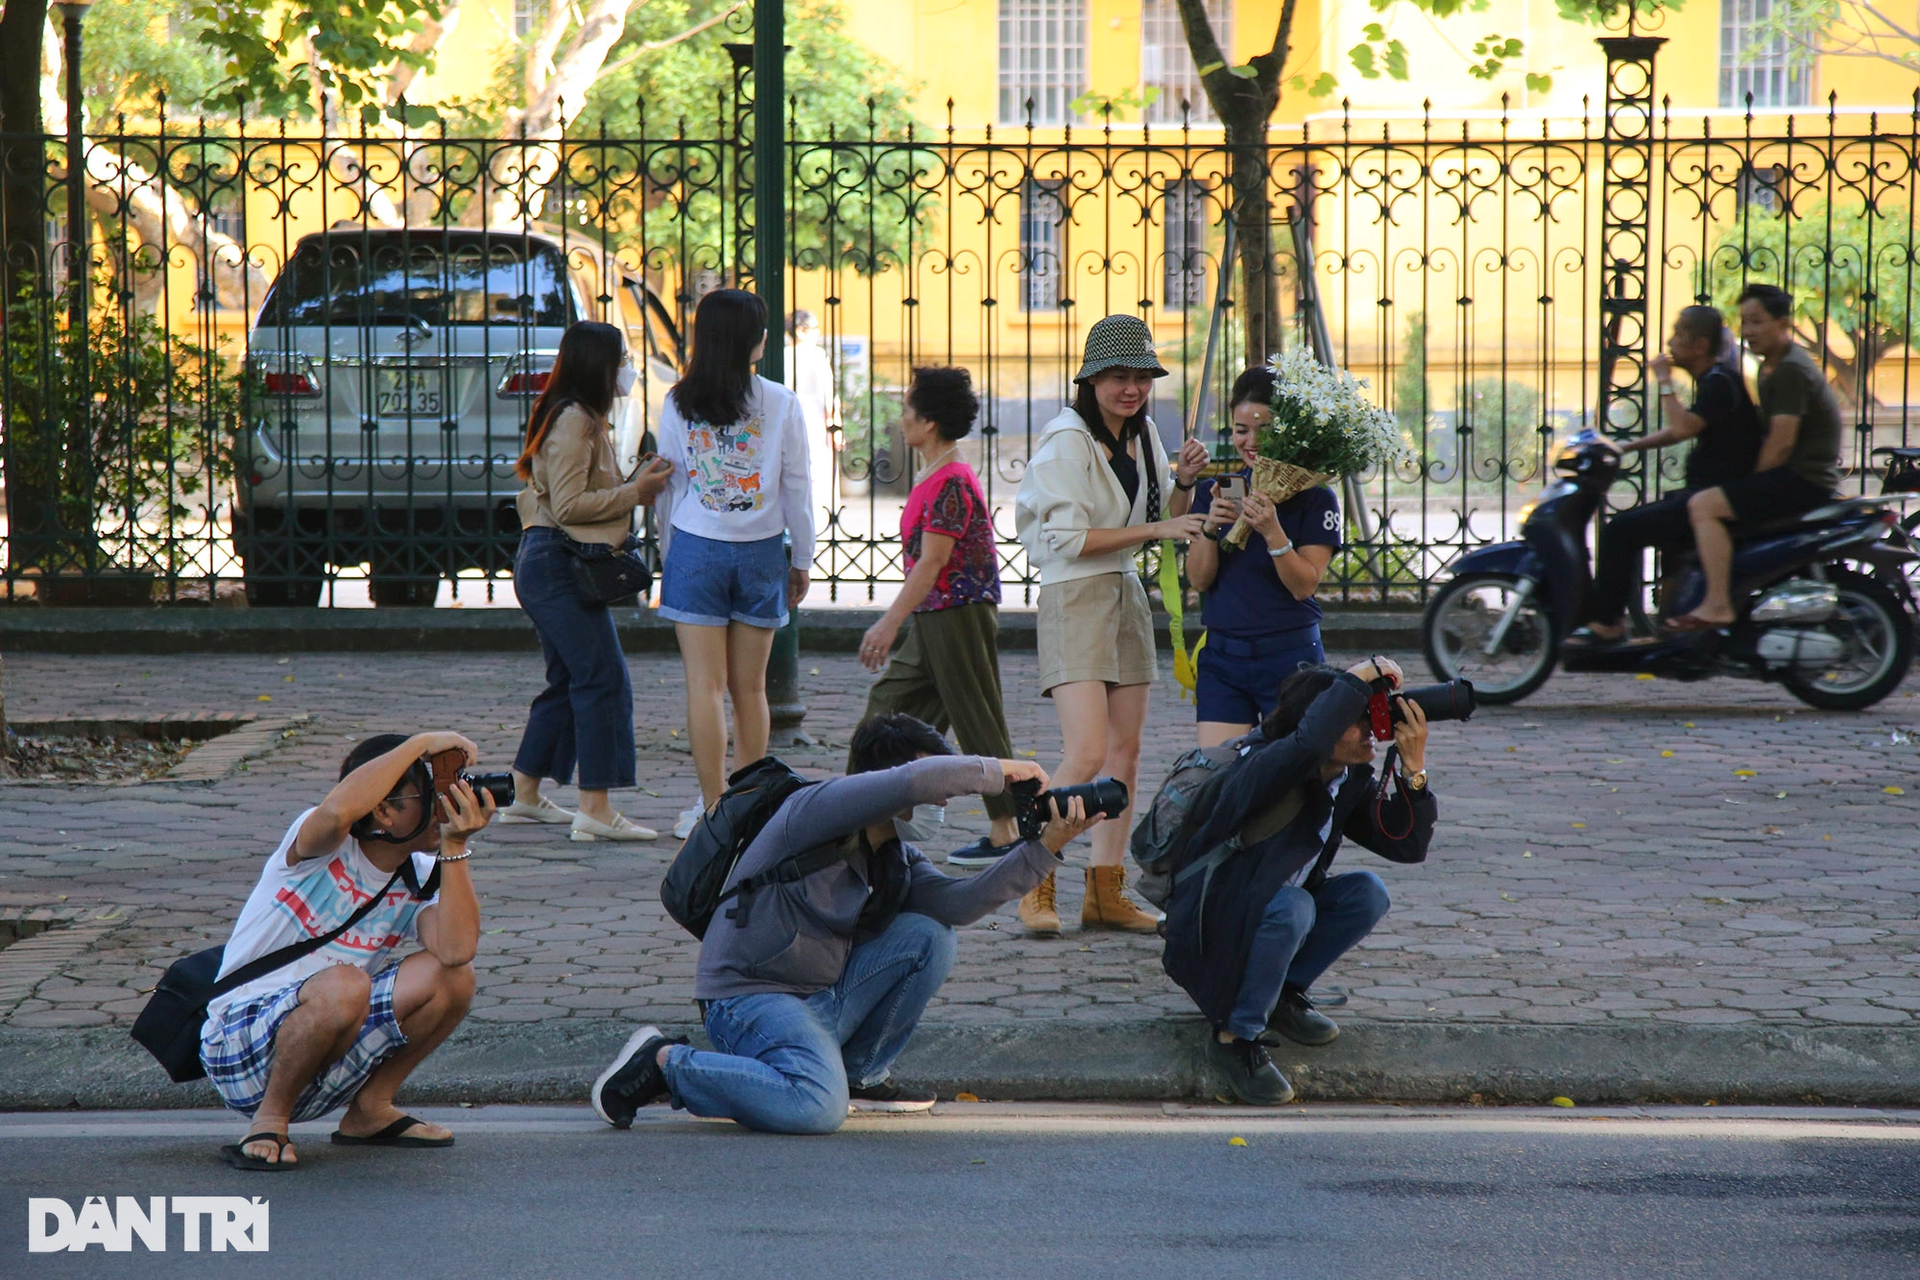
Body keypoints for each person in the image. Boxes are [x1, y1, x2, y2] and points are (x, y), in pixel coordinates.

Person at [589, 714, 1099, 1135]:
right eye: (938, 785)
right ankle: (665, 1063)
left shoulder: (895, 855)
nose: (942, 804)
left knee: (930, 935)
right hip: (747, 998)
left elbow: (961, 902)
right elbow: (915, 781)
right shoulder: (817, 807)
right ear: (877, 783)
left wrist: (1046, 846)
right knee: (815, 1107)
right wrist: (1003, 769)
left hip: (819, 999)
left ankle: (860, 1074)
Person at [199, 732, 496, 1169]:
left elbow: (456, 950)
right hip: (239, 1046)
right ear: (382, 810)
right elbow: (338, 809)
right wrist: (424, 742)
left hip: (330, 1037)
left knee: (452, 977)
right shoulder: (321, 847)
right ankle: (270, 1119)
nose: (447, 805)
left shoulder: (420, 874)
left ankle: (370, 1111)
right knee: (346, 984)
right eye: (433, 794)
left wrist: (455, 846)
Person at [1162, 658, 1435, 1106]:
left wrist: (1414, 769)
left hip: (1263, 920)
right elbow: (1307, 743)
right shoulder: (1267, 767)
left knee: (1367, 893)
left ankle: (1282, 993)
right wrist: (1357, 677)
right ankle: (1236, 1038)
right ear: (1321, 726)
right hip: (1210, 940)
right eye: (1358, 719)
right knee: (1294, 906)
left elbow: (1406, 845)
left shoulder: (1343, 779)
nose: (1372, 727)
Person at [1013, 314, 1209, 935]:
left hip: (1125, 591)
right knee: (1088, 751)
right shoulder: (1067, 439)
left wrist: (1182, 483)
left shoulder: (1144, 433)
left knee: (1124, 756)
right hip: (1073, 596)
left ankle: (1106, 892)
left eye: (1142, 377)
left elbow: (1161, 516)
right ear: (1091, 379)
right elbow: (1069, 539)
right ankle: (1032, 882)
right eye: (1119, 377)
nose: (1133, 388)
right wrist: (1161, 526)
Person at [657, 290, 815, 839]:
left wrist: (665, 555)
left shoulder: (677, 401)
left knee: (704, 686)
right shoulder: (782, 401)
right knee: (751, 689)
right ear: (754, 342)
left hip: (695, 547)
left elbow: (670, 486)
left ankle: (711, 809)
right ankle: (751, 811)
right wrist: (805, 557)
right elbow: (797, 486)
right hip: (762, 551)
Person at [507, 320, 672, 842]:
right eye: (621, 358)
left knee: (570, 681)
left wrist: (632, 484)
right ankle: (595, 808)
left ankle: (524, 793)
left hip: (549, 560)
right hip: (558, 563)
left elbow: (570, 495)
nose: (627, 369)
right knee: (603, 679)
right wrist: (635, 493)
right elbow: (572, 505)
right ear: (597, 365)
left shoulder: (576, 417)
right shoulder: (575, 420)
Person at [854, 367, 1022, 863]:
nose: (901, 418)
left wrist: (887, 623)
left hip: (957, 615)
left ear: (927, 423)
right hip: (935, 617)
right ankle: (865, 820)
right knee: (886, 712)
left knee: (977, 717)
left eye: (907, 410)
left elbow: (932, 563)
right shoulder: (937, 474)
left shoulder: (951, 479)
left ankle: (1007, 831)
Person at [1568, 306, 1762, 645]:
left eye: (1677, 334)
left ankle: (1610, 622)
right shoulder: (1717, 379)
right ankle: (1672, 625)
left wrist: (1664, 381)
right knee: (1666, 535)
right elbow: (1682, 429)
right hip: (1705, 492)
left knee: (1621, 531)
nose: (1670, 343)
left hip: (1714, 495)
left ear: (1699, 345)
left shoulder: (1719, 381)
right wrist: (1627, 447)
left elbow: (1683, 426)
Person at [1669, 283, 1842, 631]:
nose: (1748, 332)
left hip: (1803, 479)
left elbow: (1780, 443)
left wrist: (1747, 488)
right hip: (1797, 475)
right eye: (1744, 323)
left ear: (1783, 323)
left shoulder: (1790, 370)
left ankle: (1717, 604)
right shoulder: (1772, 366)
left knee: (1703, 506)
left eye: (1757, 322)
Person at [1185, 366, 1343, 746]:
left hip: (1290, 658)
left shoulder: (1315, 497)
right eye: (1241, 430)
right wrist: (1209, 529)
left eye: (1266, 430)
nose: (1251, 441)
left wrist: (1273, 531)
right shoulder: (1218, 491)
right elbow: (1198, 580)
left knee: (1288, 779)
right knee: (1216, 774)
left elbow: (1304, 585)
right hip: (1223, 657)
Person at [786, 309, 841, 538]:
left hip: (791, 420)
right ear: (801, 331)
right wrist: (836, 425)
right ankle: (817, 525)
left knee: (793, 471)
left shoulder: (784, 355)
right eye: (814, 328)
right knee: (816, 473)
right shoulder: (816, 355)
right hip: (815, 420)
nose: (818, 333)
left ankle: (794, 523)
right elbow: (828, 395)